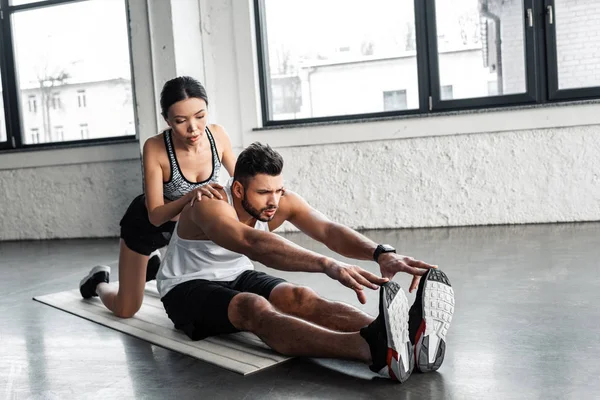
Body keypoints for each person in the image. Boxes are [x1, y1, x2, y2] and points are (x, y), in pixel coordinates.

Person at [157, 142, 455, 382]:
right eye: (263, 193)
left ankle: (399, 337)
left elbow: (328, 230)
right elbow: (252, 243)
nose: (273, 201)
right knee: (253, 306)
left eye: (278, 190)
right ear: (238, 190)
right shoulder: (209, 205)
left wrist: (381, 253)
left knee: (300, 296)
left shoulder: (277, 201)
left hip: (236, 273)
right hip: (186, 288)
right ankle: (370, 349)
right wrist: (328, 265)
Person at [78, 76, 236, 318]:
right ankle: (98, 282)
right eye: (181, 121)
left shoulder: (218, 136)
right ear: (167, 120)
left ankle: (154, 265)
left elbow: (241, 185)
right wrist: (190, 196)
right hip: (148, 226)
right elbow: (155, 215)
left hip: (187, 230)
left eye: (200, 116)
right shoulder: (155, 147)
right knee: (126, 309)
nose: (193, 128)